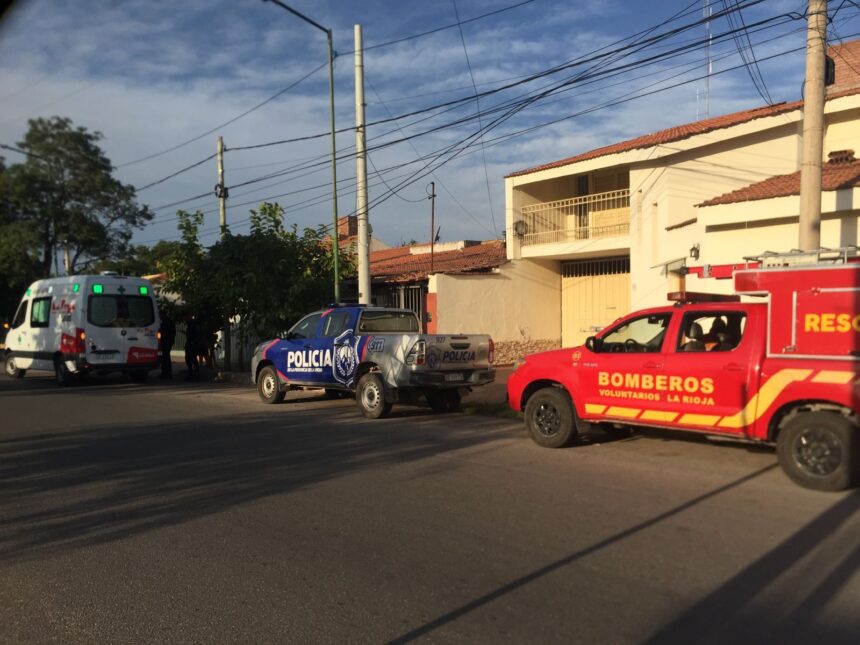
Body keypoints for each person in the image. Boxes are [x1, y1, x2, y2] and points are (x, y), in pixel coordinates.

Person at [158, 307, 176, 379]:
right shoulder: (167, 321)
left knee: (165, 358)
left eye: (160, 315)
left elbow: (166, 332)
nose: (160, 317)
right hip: (167, 341)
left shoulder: (167, 322)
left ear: (163, 315)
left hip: (166, 341)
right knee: (165, 358)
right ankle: (165, 373)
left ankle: (166, 374)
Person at [184, 314, 201, 381]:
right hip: (191, 343)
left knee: (192, 359)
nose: (185, 319)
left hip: (192, 344)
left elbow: (193, 335)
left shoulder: (192, 324)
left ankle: (194, 375)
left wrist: (192, 342)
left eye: (185, 317)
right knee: (190, 359)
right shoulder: (191, 324)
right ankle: (193, 374)